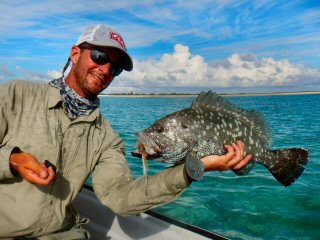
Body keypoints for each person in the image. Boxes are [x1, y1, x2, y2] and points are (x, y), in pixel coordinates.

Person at [0, 24, 251, 239]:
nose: (106, 69)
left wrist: (191, 170)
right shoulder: (16, 95)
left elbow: (120, 198)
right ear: (75, 53)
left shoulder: (107, 139)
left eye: (116, 67)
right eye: (99, 55)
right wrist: (12, 160)